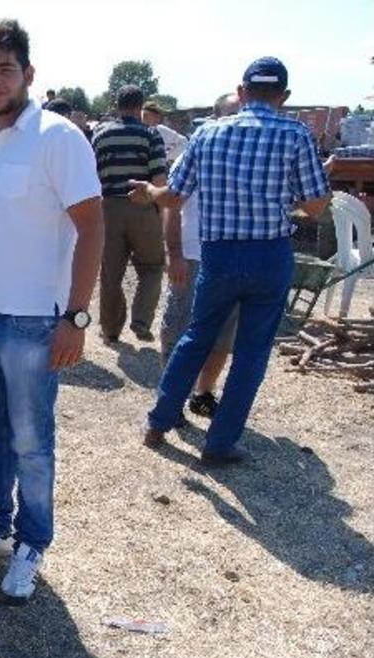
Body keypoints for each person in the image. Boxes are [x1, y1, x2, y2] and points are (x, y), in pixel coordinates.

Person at [0, 19, 103, 604]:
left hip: (35, 322)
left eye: (7, 69)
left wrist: (75, 318)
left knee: (32, 441)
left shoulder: (58, 137)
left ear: (28, 73)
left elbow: (92, 228)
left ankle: (32, 544)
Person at [134, 57, 331, 464]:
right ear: (284, 97)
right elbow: (315, 207)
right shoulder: (297, 135)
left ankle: (158, 423)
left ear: (241, 93)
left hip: (219, 253)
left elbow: (172, 196)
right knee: (252, 351)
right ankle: (220, 443)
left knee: (195, 337)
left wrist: (149, 194)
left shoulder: (208, 133)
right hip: (269, 254)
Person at [158, 94, 242, 419]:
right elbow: (172, 208)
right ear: (216, 116)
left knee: (223, 335)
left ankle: (203, 392)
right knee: (177, 326)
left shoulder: (254, 160)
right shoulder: (194, 155)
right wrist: (175, 255)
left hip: (233, 260)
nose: (238, 120)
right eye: (231, 113)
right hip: (193, 256)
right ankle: (171, 398)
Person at [92, 84, 167, 342]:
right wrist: (159, 210)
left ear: (116, 105)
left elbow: (91, 176)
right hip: (142, 206)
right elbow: (159, 178)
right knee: (152, 267)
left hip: (108, 209)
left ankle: (110, 330)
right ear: (140, 106)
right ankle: (141, 320)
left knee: (111, 274)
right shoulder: (151, 135)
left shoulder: (100, 135)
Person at [141, 100, 188, 164]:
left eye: (158, 117)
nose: (158, 120)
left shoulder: (160, 130)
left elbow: (183, 142)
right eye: (155, 116)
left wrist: (165, 157)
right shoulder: (134, 130)